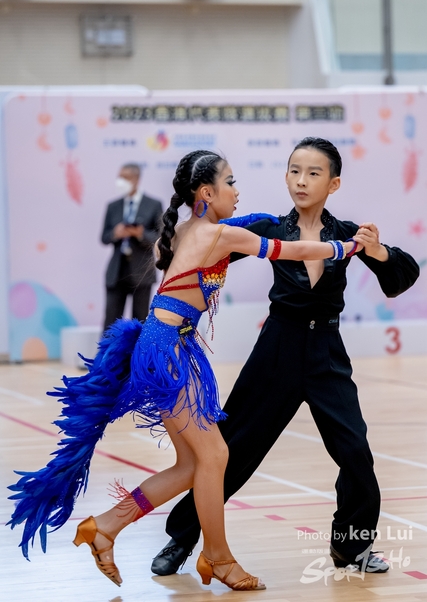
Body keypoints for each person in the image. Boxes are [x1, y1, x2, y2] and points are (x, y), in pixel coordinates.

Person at [8, 149, 358, 592]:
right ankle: (218, 557)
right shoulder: (218, 235)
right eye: (230, 182)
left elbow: (194, 241)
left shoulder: (190, 228)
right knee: (215, 455)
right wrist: (345, 246)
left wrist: (256, 220)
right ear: (207, 193)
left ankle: (106, 526)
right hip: (168, 348)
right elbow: (294, 249)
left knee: (194, 464)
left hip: (166, 343)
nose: (237, 190)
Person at [151, 138, 420, 577]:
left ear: (333, 183)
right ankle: (182, 536)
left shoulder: (349, 233)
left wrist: (379, 250)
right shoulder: (269, 228)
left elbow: (402, 277)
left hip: (327, 352)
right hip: (277, 348)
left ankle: (352, 548)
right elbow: (200, 245)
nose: (301, 181)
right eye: (295, 171)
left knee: (355, 450)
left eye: (313, 173)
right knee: (234, 447)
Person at [101, 163, 163, 330]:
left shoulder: (153, 204)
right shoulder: (113, 206)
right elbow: (104, 237)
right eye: (120, 177)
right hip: (117, 271)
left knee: (140, 320)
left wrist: (140, 233)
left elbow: (160, 238)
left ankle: (139, 349)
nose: (121, 181)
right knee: (111, 322)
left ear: (136, 179)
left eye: (126, 177)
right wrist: (116, 234)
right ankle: (109, 348)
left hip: (141, 271)